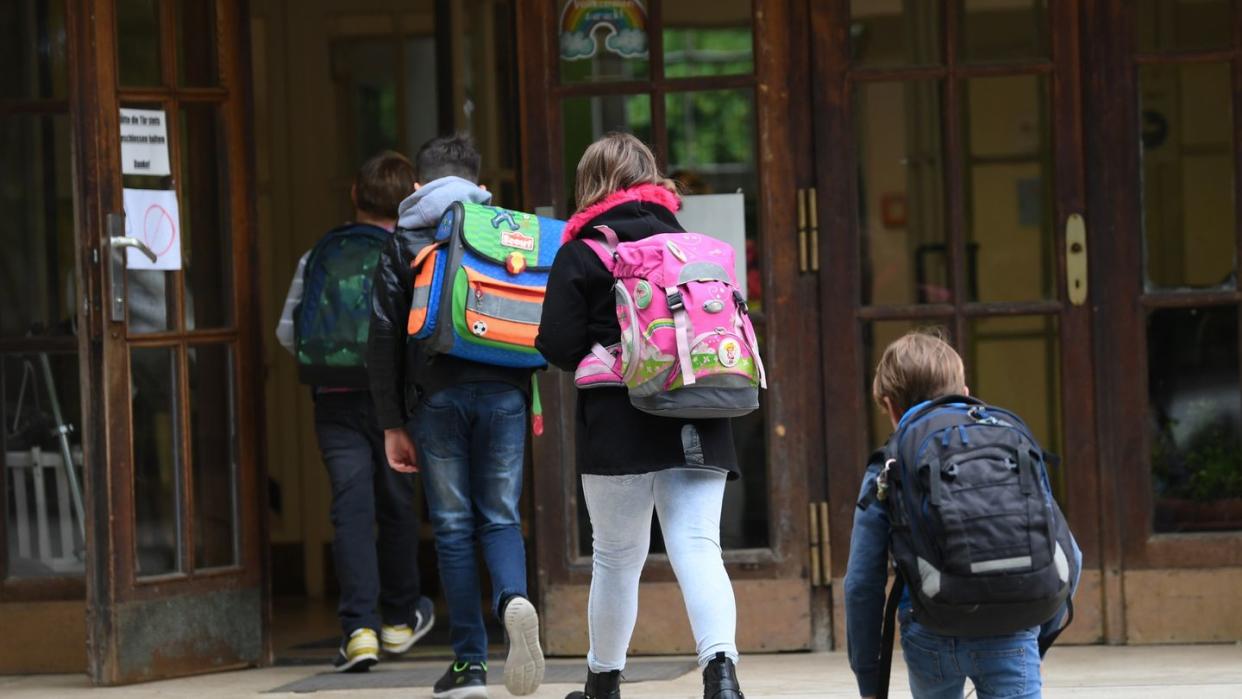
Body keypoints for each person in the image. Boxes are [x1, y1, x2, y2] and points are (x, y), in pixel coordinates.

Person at [536, 132, 746, 699]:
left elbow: (554, 343)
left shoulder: (583, 251)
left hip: (617, 420)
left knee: (616, 556)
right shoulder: (694, 247)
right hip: (700, 410)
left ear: (591, 184)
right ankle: (721, 674)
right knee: (699, 544)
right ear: (653, 180)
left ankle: (603, 682)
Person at [367, 133, 545, 699]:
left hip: (435, 396)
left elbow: (383, 335)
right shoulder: (504, 227)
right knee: (500, 515)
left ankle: (470, 665)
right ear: (478, 179)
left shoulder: (405, 237)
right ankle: (514, 597)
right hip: (504, 391)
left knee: (450, 527)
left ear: (418, 185)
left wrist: (392, 422)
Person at [845, 330, 1081, 699]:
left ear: (889, 406)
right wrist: (1038, 627)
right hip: (1014, 627)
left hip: (930, 627)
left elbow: (862, 583)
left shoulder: (887, 466)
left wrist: (869, 679)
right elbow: (1071, 556)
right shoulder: (1008, 445)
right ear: (965, 392)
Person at [276, 151, 434, 673]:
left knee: (350, 509)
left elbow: (288, 333)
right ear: (411, 196)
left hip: (335, 401)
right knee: (395, 505)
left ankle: (359, 630)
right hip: (395, 404)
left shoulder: (319, 254)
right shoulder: (412, 253)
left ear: (353, 197)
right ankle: (399, 618)